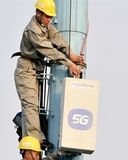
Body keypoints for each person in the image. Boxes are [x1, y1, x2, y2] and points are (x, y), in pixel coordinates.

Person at [13, 0, 84, 147]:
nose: (49, 19)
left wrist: (70, 53)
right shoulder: (33, 30)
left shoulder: (45, 25)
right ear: (38, 13)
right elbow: (49, 50)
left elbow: (56, 38)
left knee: (36, 109)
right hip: (26, 70)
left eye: (51, 17)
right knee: (31, 106)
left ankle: (27, 126)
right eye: (47, 16)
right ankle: (35, 140)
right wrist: (69, 64)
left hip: (35, 68)